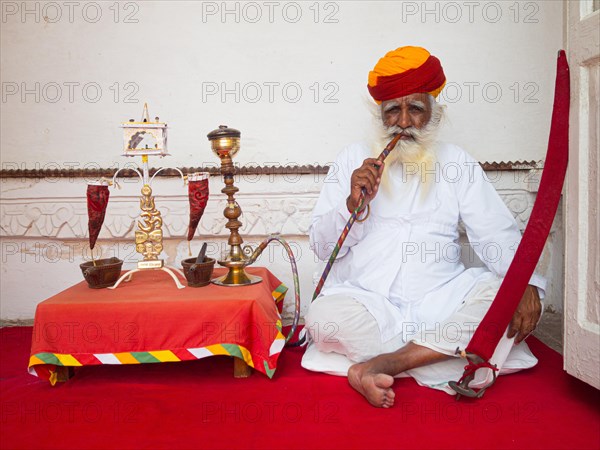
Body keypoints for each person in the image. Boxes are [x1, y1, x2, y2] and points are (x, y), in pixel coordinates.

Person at [301, 46, 545, 408]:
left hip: (441, 301)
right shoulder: (352, 159)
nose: (403, 121)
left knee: (504, 297)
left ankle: (385, 363)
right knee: (322, 316)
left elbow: (495, 233)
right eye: (392, 111)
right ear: (379, 116)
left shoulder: (455, 161)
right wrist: (352, 205)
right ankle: (440, 356)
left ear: (433, 114)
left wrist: (522, 283)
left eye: (414, 109)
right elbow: (322, 247)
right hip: (371, 305)